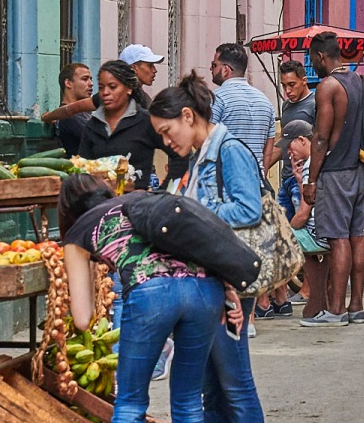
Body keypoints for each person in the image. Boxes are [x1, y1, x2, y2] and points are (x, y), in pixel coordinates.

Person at [60, 173, 237, 423]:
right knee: (189, 403)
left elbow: (80, 316)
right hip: (204, 291)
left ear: (67, 210)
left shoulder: (79, 230)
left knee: (129, 406)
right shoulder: (138, 202)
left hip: (150, 291)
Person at [150, 73, 274, 423]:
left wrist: (187, 214)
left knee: (236, 391)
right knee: (214, 395)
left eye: (168, 132)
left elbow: (247, 209)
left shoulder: (229, 150)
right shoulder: (199, 157)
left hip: (230, 288)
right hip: (206, 287)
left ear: (189, 116)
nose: (167, 142)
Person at [208, 43, 276, 334]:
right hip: (258, 183)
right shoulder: (264, 100)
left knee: (228, 252)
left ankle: (236, 314)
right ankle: (250, 316)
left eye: (213, 66)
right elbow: (268, 150)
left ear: (225, 68)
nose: (211, 70)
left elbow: (207, 141)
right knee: (253, 251)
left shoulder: (218, 99)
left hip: (226, 186)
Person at [302, 32, 364, 327]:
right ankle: (356, 306)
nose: (312, 65)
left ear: (321, 57)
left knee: (338, 238)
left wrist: (311, 180)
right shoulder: (358, 82)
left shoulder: (328, 86)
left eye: (312, 60)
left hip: (336, 171)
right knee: (356, 236)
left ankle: (336, 310)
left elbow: (320, 139)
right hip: (357, 169)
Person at [258, 60, 317, 317]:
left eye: (292, 84)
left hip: (303, 176)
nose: (288, 91)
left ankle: (307, 288)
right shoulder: (287, 106)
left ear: (304, 80)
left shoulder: (314, 105)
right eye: (284, 86)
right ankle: (285, 290)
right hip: (287, 177)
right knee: (283, 231)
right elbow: (283, 143)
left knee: (300, 233)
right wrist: (261, 168)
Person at [78, 60, 184, 188]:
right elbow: (82, 168)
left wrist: (162, 194)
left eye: (112, 87)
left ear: (128, 89)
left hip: (136, 204)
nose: (105, 92)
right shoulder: (93, 125)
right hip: (99, 204)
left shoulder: (146, 121)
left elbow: (181, 157)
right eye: (101, 87)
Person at [275, 120, 329, 319]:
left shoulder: (310, 166)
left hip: (318, 233)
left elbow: (303, 215)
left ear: (302, 140)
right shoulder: (314, 163)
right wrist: (299, 181)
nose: (288, 153)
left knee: (277, 241)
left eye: (290, 147)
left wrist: (284, 232)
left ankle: (278, 298)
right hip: (328, 229)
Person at [50, 62, 96, 156]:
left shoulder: (84, 112)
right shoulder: (69, 116)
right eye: (85, 79)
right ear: (68, 83)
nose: (91, 84)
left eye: (91, 79)